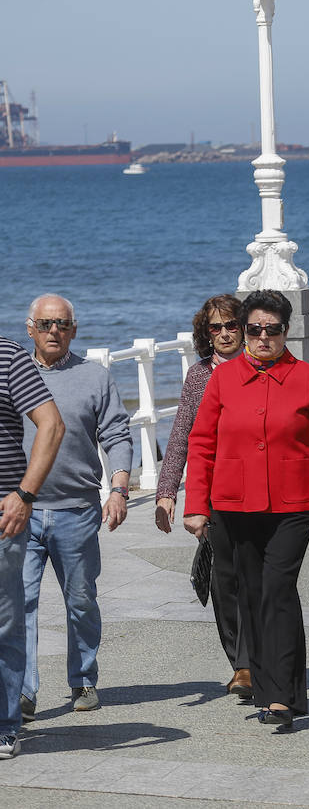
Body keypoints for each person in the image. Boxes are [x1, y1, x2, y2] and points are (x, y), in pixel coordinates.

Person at [185, 290, 309, 729]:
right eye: (254, 330)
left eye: (271, 330)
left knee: (277, 590)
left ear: (284, 331)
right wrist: (195, 505)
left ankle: (282, 698)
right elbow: (201, 444)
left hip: (294, 506)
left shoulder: (307, 377)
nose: (262, 338)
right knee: (252, 597)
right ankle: (269, 689)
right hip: (234, 507)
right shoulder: (222, 379)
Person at [21, 295, 132, 717]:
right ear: (30, 328)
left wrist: (119, 488)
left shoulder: (94, 377)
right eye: (46, 324)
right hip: (19, 512)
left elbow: (118, 434)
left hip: (77, 510)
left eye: (63, 324)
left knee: (81, 600)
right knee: (19, 603)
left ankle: (83, 679)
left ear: (74, 330)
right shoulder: (14, 374)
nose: (54, 332)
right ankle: (21, 690)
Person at [155, 294, 253, 701]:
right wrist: (166, 493)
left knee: (258, 579)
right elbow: (179, 437)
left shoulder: (261, 368)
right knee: (223, 581)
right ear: (206, 333)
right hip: (213, 492)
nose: (226, 333)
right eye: (217, 327)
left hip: (261, 488)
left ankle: (260, 657)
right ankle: (242, 665)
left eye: (232, 325)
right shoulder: (199, 376)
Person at [0, 327, 65, 760]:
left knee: (4, 623)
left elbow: (52, 425)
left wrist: (25, 494)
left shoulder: (8, 357)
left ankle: (5, 725)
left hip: (3, 514)